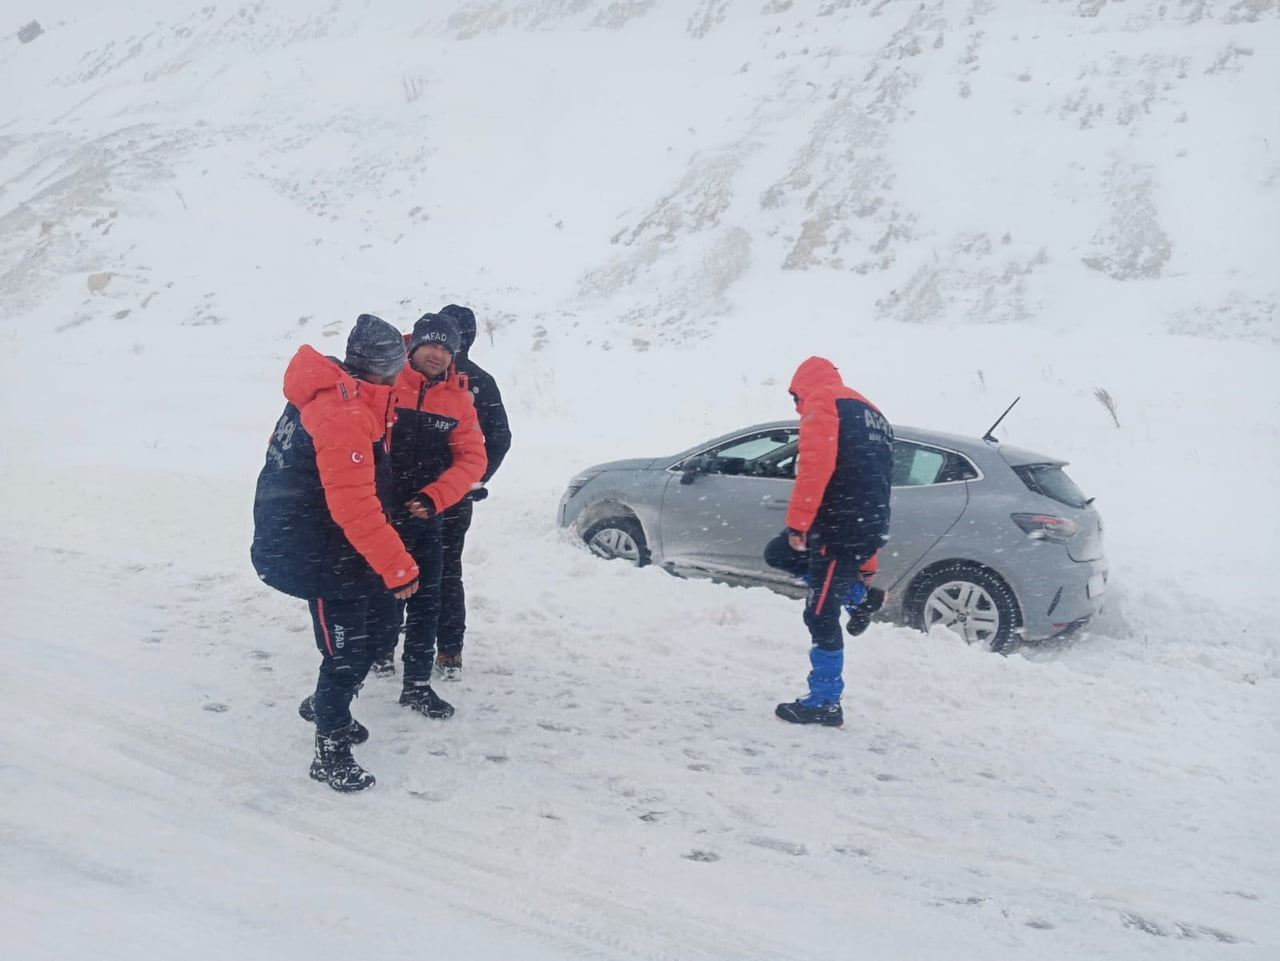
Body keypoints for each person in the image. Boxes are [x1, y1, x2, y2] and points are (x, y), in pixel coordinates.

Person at [251, 314, 420, 792]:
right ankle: (331, 745)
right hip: (320, 555)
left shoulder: (350, 398)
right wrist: (398, 565)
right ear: (385, 368)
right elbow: (354, 506)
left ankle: (328, 704)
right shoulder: (340, 412)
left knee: (384, 628)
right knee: (345, 654)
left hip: (343, 549)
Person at [369, 312, 486, 719]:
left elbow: (473, 459)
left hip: (425, 516)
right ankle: (365, 660)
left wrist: (436, 497)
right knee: (374, 595)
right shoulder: (384, 384)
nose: (436, 354)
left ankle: (417, 685)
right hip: (378, 516)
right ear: (413, 347)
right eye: (430, 345)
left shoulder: (458, 398)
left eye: (444, 348)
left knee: (427, 601)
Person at [771, 356, 893, 727]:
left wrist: (798, 524)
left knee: (820, 614)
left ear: (800, 388)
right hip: (862, 523)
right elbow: (878, 488)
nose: (797, 407)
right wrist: (868, 563)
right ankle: (861, 598)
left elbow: (814, 465)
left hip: (837, 528)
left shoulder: (823, 400)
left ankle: (825, 702)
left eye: (795, 398)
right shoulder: (874, 414)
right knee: (776, 553)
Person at [433, 303, 513, 680]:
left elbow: (499, 438)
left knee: (400, 568)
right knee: (447, 572)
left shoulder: (422, 371)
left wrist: (470, 481)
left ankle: (387, 647)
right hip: (451, 495)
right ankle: (449, 651)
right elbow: (500, 439)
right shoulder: (479, 379)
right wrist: (471, 482)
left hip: (424, 494)